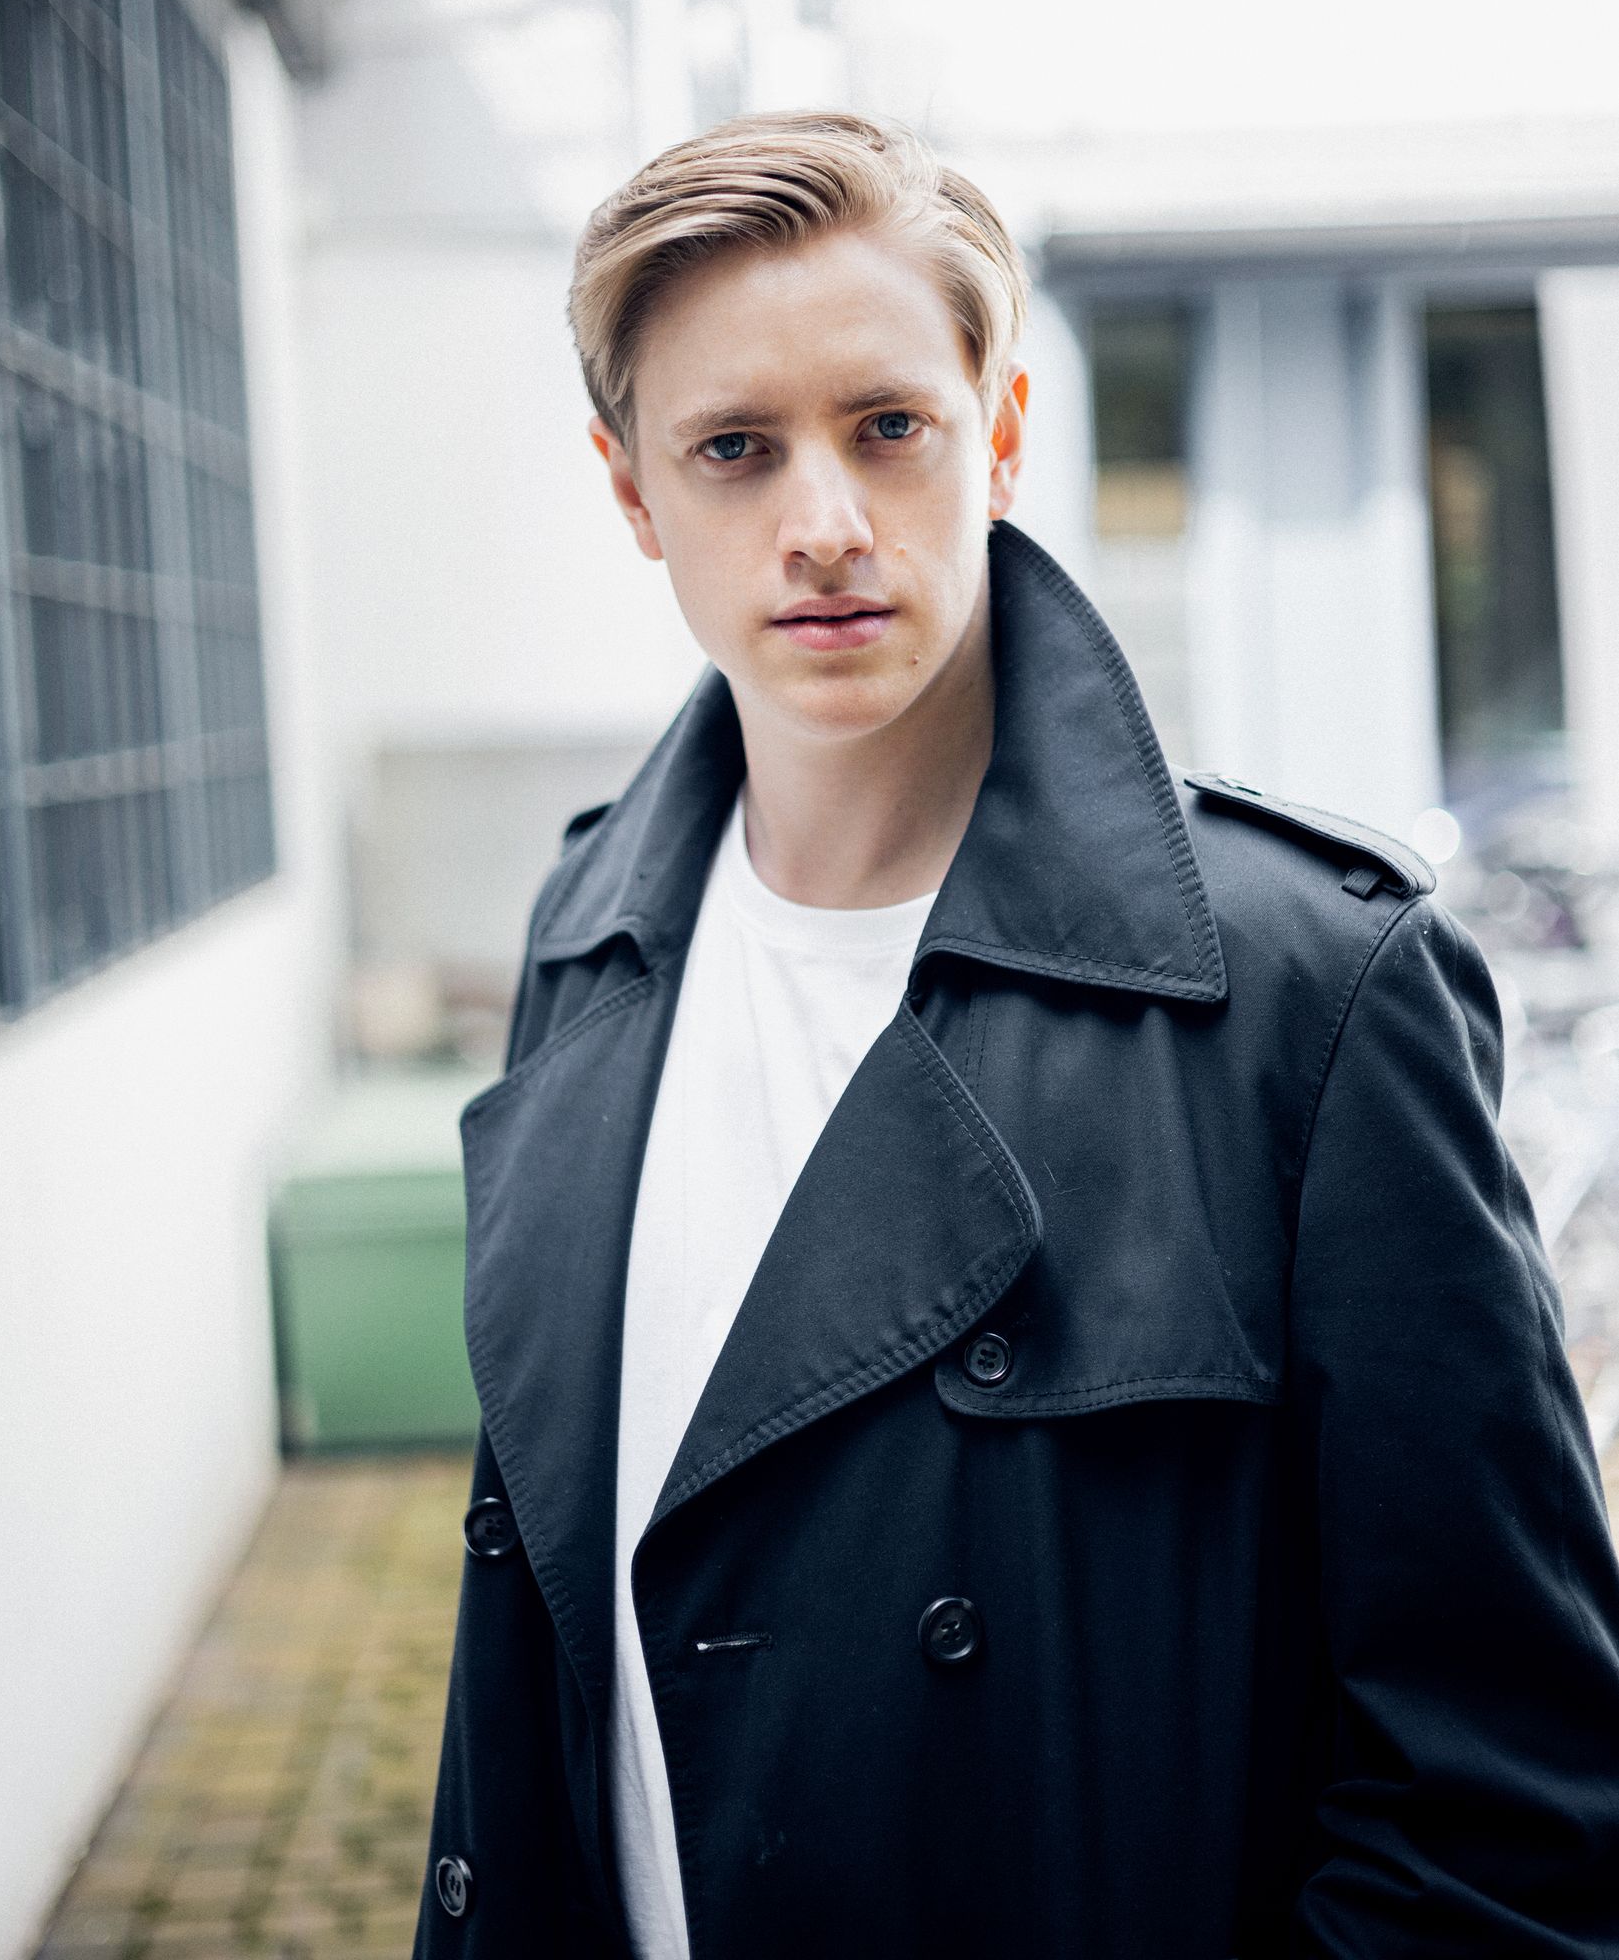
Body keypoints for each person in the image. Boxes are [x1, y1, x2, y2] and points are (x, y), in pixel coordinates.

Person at [413, 110, 1619, 1960]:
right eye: (734, 448)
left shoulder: (1306, 989)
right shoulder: (588, 932)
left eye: (886, 426)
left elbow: (1510, 1807)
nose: (824, 522)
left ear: (1000, 432)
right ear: (632, 494)